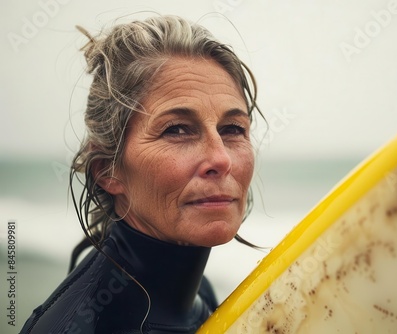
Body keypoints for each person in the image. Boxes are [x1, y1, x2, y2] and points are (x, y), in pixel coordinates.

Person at [21, 14, 263, 334]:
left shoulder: (198, 290)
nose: (221, 158)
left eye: (233, 128)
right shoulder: (81, 326)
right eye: (177, 130)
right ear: (107, 170)